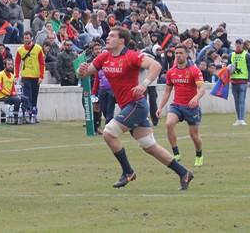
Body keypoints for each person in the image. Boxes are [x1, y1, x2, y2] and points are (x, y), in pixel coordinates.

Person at [78, 27, 194, 190]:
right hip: (129, 106)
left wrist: (144, 84)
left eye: (112, 36)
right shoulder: (103, 57)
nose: (108, 38)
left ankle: (128, 172)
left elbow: (155, 66)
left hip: (136, 105)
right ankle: (184, 173)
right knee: (149, 146)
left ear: (121, 40)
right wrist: (80, 71)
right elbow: (85, 73)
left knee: (108, 133)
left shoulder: (131, 56)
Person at [156, 45, 206, 167]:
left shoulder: (194, 70)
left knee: (194, 136)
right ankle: (176, 153)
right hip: (177, 106)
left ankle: (199, 154)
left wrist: (195, 98)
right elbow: (167, 91)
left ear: (186, 55)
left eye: (181, 53)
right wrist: (160, 107)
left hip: (191, 107)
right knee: (169, 124)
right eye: (176, 53)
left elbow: (202, 88)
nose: (178, 55)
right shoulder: (171, 72)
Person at [15, 31, 44, 122]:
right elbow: (17, 63)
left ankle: (34, 115)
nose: (26, 39)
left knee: (34, 96)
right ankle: (26, 114)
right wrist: (16, 75)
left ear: (31, 38)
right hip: (25, 76)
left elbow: (42, 63)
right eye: (25, 38)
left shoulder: (38, 48)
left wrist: (41, 76)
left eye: (28, 38)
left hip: (36, 76)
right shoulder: (20, 49)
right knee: (27, 97)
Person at [0, 57, 29, 124]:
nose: (10, 66)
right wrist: (10, 94)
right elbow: (0, 88)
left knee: (25, 98)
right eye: (9, 64)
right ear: (5, 66)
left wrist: (15, 93)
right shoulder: (0, 75)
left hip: (9, 96)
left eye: (11, 64)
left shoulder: (12, 75)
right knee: (17, 100)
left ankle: (25, 116)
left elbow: (12, 88)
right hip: (1, 97)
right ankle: (15, 118)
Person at [229, 38, 250, 126]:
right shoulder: (231, 55)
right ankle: (238, 118)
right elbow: (227, 67)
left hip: (243, 80)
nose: (238, 45)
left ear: (242, 45)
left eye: (240, 44)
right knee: (236, 101)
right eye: (237, 44)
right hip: (234, 80)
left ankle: (241, 118)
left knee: (241, 100)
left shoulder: (246, 55)